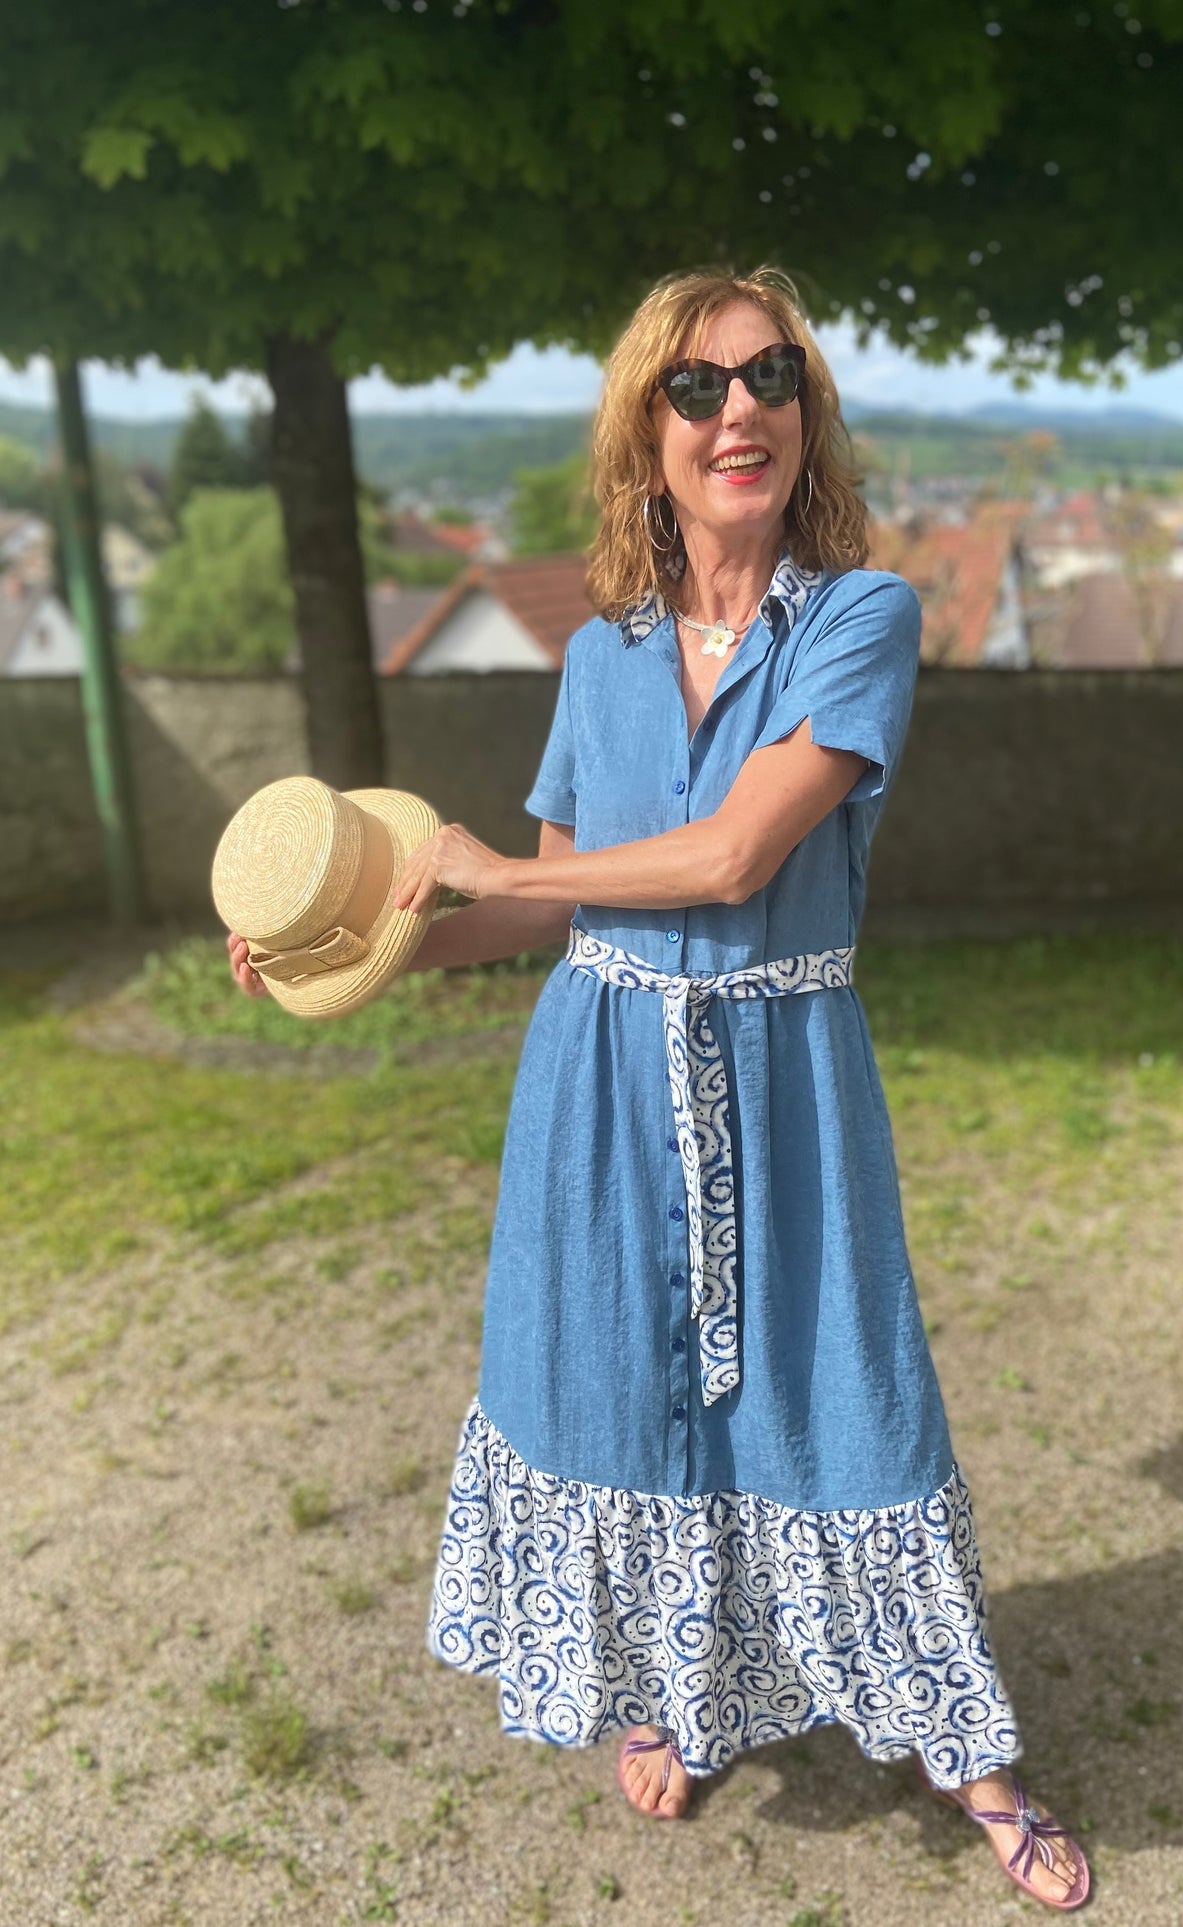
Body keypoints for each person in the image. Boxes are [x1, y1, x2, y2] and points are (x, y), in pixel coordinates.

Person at [229, 269, 1088, 1911]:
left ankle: (978, 1771)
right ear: (647, 437)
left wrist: (493, 862)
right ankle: (684, 1701)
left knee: (848, 1407)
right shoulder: (601, 657)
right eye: (695, 389)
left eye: (769, 377)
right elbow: (547, 907)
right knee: (626, 1399)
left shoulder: (858, 618)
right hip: (600, 1087)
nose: (736, 410)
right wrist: (356, 947)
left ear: (805, 415)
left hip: (783, 1076)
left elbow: (736, 854)